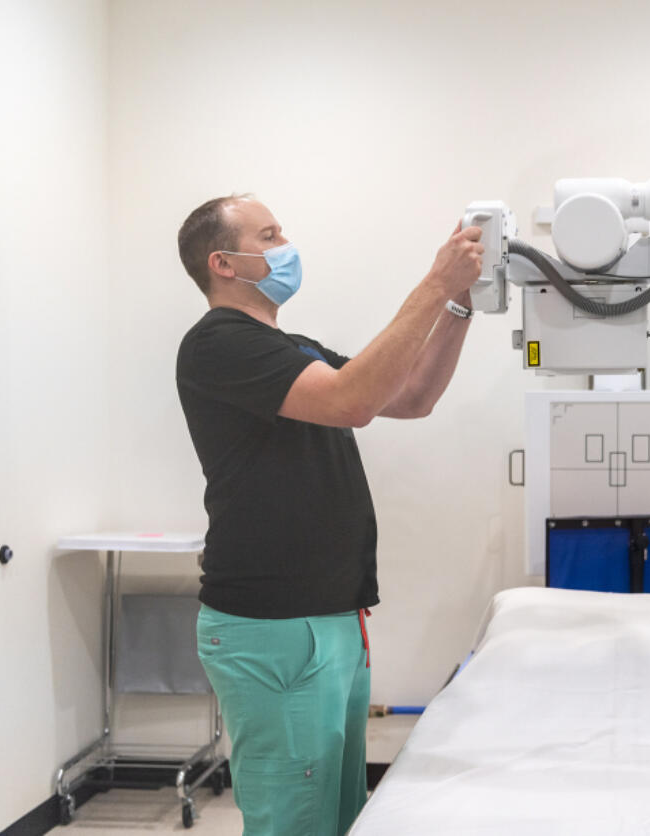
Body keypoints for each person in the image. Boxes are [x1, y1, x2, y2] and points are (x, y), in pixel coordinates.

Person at [175, 194, 482, 835]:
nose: (286, 244)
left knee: (338, 819)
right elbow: (354, 401)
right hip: (274, 625)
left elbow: (413, 395)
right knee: (295, 822)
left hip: (331, 618)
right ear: (223, 263)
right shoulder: (218, 344)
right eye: (270, 234)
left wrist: (457, 306)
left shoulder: (289, 347)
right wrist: (433, 282)